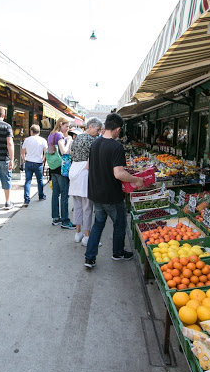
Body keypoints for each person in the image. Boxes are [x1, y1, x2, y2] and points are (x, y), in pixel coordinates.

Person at [84, 113, 144, 268]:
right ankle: (117, 252)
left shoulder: (95, 143)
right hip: (112, 195)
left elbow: (88, 167)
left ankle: (89, 258)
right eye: (120, 130)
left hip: (96, 193)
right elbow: (119, 173)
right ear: (118, 129)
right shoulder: (117, 147)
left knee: (98, 225)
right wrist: (137, 180)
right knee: (119, 223)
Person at [68, 118, 102, 245]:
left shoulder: (77, 138)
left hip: (74, 172)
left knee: (77, 206)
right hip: (85, 174)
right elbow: (93, 161)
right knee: (87, 207)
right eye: (97, 130)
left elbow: (71, 153)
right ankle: (87, 237)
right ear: (91, 127)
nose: (98, 133)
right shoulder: (92, 141)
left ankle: (78, 233)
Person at [48, 116, 74, 229]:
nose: (68, 128)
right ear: (60, 124)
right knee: (64, 194)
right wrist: (68, 140)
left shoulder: (51, 135)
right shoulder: (59, 135)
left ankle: (55, 218)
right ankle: (65, 220)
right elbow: (64, 151)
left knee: (55, 193)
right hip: (61, 168)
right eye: (66, 126)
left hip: (53, 167)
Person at [21, 124, 48, 206]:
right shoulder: (43, 140)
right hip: (38, 162)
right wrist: (44, 159)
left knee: (28, 181)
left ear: (31, 131)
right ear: (39, 132)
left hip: (29, 161)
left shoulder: (27, 140)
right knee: (39, 180)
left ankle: (26, 199)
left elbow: (22, 152)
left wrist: (24, 159)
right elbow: (46, 152)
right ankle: (41, 195)